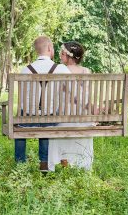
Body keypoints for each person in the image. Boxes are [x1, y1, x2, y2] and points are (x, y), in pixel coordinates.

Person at [15, 36, 70, 172]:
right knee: (47, 121)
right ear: (50, 48)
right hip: (50, 118)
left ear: (36, 51)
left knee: (19, 125)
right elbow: (72, 90)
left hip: (27, 120)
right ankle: (44, 163)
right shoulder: (60, 69)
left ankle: (20, 163)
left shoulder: (26, 70)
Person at [48, 41, 94, 172]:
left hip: (64, 118)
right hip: (83, 118)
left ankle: (64, 165)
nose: (60, 56)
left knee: (58, 126)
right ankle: (83, 166)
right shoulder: (86, 71)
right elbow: (87, 96)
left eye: (62, 54)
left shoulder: (60, 70)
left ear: (69, 56)